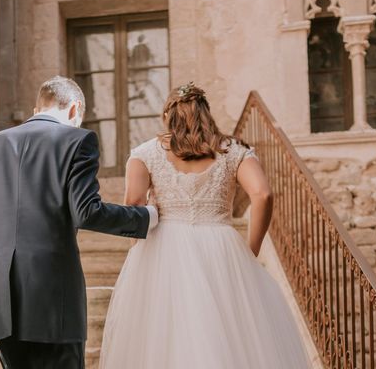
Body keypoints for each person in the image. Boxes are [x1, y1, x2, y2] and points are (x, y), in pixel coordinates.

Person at [0, 76, 158, 369]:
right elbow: (87, 212)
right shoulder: (78, 140)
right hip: (52, 293)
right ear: (74, 109)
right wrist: (146, 217)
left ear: (36, 108)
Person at [99, 82, 311, 369]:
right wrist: (251, 251)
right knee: (228, 332)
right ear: (207, 114)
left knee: (165, 337)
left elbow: (133, 205)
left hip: (164, 248)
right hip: (221, 245)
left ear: (167, 117)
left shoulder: (144, 153)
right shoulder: (234, 151)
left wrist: (139, 251)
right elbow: (262, 194)